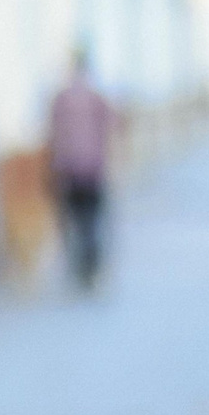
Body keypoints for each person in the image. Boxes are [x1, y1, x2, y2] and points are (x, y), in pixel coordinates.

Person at [48, 50, 117, 288]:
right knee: (92, 221)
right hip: (93, 168)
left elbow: (53, 134)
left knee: (73, 222)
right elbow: (110, 129)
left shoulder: (61, 98)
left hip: (68, 169)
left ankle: (77, 269)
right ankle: (91, 268)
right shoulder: (96, 97)